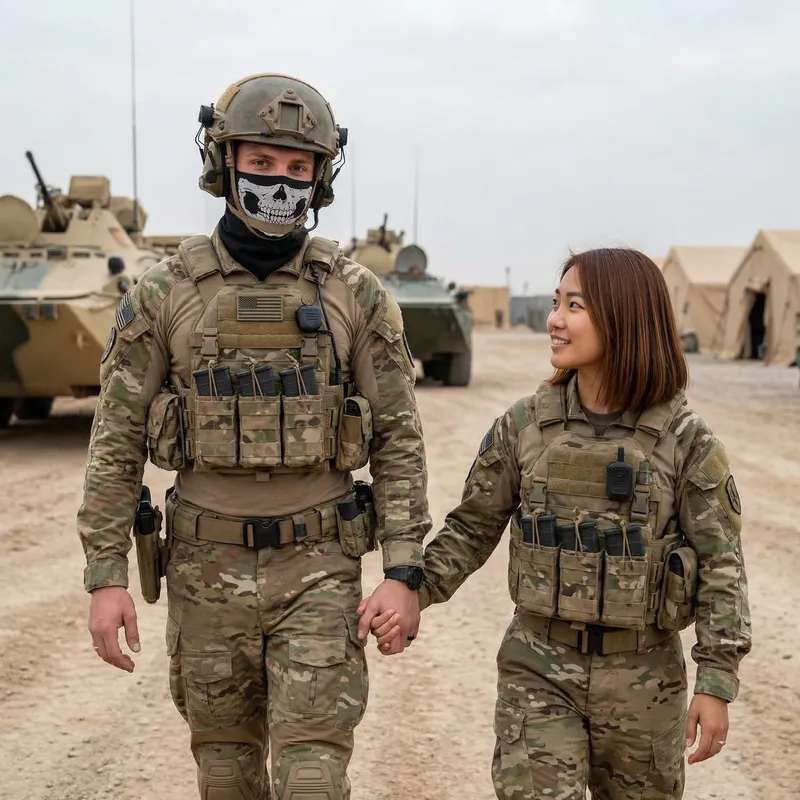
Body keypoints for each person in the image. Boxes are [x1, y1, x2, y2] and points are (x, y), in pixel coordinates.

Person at [77, 72, 430, 800]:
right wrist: (106, 575)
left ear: (320, 178)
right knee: (227, 771)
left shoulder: (355, 294)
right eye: (261, 163)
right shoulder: (165, 291)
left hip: (320, 569)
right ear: (224, 162)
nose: (279, 181)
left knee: (311, 774)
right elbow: (115, 439)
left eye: (297, 168)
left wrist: (403, 570)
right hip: (206, 573)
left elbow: (398, 437)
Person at [364, 248, 751, 799]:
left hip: (645, 681)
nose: (555, 319)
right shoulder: (525, 425)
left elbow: (721, 566)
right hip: (538, 668)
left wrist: (716, 681)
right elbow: (472, 528)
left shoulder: (687, 440)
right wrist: (410, 588)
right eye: (555, 302)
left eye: (575, 305)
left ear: (626, 317)